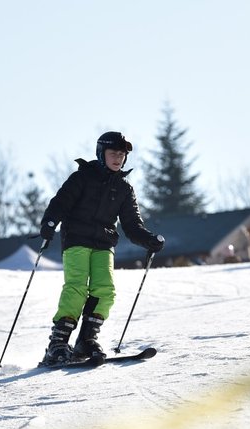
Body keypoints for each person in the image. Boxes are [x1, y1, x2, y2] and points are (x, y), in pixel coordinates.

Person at [38, 131, 165, 366]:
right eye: (113, 153)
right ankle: (58, 343)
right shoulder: (82, 178)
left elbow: (132, 224)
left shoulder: (125, 189)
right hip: (76, 239)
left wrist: (149, 240)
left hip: (104, 244)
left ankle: (86, 340)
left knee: (105, 290)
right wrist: (49, 222)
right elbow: (60, 203)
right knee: (76, 288)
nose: (118, 158)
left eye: (122, 154)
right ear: (101, 153)